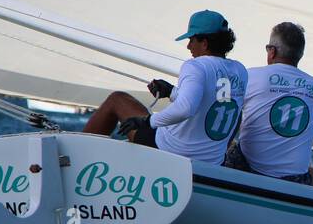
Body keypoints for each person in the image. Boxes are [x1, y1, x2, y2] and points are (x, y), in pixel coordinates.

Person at [82, 10, 247, 165]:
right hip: (211, 161)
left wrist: (147, 121)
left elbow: (186, 108)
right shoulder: (240, 70)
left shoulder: (195, 66)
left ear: (204, 43)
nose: (188, 46)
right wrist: (172, 92)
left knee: (117, 99)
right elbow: (221, 108)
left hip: (171, 150)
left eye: (191, 40)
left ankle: (79, 157)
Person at [223, 22, 313, 186]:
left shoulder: (251, 76)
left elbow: (229, 114)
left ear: (272, 51)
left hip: (250, 169)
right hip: (294, 179)